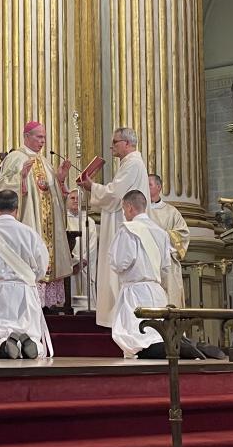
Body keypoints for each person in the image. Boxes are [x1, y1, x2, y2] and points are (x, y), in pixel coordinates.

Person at [0, 189, 53, 361]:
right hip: (24, 292)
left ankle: (3, 346)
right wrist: (28, 278)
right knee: (29, 329)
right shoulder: (30, 233)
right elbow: (42, 265)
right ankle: (29, 344)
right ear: (17, 209)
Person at [0, 120, 73, 306]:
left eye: (44, 137)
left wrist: (60, 180)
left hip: (48, 227)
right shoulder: (15, 158)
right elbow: (2, 188)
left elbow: (52, 195)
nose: (43, 141)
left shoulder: (45, 162)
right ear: (26, 137)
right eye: (39, 137)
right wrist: (20, 178)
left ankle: (47, 305)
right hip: (29, 222)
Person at [79, 127, 150, 328]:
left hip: (123, 222)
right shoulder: (130, 163)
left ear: (127, 143)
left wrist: (92, 187)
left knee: (117, 270)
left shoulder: (133, 163)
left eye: (115, 142)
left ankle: (117, 318)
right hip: (121, 219)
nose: (112, 147)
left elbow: (116, 195)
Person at [108, 189, 173, 360]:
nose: (124, 213)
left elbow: (120, 262)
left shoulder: (129, 229)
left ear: (130, 207)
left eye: (124, 209)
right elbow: (166, 266)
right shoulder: (161, 232)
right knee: (158, 335)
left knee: (138, 340)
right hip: (157, 293)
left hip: (135, 293)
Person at [146, 173, 189, 307]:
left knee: (169, 302)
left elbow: (183, 234)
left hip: (167, 265)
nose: (146, 187)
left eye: (149, 185)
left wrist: (161, 236)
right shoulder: (141, 210)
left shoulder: (171, 212)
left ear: (158, 187)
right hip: (146, 264)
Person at [67, 189, 98, 313]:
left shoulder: (89, 221)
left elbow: (92, 246)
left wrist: (82, 262)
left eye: (78, 198)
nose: (75, 201)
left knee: (85, 302)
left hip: (84, 266)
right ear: (67, 201)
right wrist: (74, 262)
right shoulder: (63, 220)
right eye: (72, 198)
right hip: (69, 267)